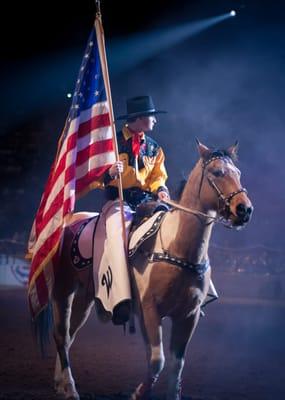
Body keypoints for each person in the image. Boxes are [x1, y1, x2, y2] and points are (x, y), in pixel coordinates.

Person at [94, 95, 170, 325]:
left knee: (174, 227)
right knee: (118, 236)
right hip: (119, 202)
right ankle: (120, 300)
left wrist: (162, 190)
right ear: (138, 119)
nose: (155, 121)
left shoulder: (155, 148)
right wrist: (109, 174)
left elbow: (158, 176)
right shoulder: (112, 144)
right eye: (151, 117)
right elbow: (95, 175)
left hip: (147, 201)